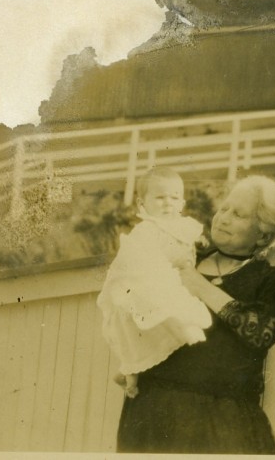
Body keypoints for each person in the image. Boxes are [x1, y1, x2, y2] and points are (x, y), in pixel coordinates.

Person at [115, 175, 275, 454]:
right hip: (155, 412)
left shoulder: (269, 280)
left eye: (238, 214)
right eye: (224, 208)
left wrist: (198, 285)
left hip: (224, 422)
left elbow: (260, 333)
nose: (223, 218)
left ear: (263, 234)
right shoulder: (183, 255)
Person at [97, 167, 212, 399]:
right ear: (143, 203)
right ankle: (129, 372)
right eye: (160, 198)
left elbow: (192, 239)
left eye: (175, 197)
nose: (168, 203)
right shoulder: (147, 229)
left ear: (182, 202)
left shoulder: (184, 225)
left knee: (156, 330)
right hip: (147, 285)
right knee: (141, 329)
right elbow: (141, 261)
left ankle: (127, 371)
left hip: (171, 283)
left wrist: (199, 241)